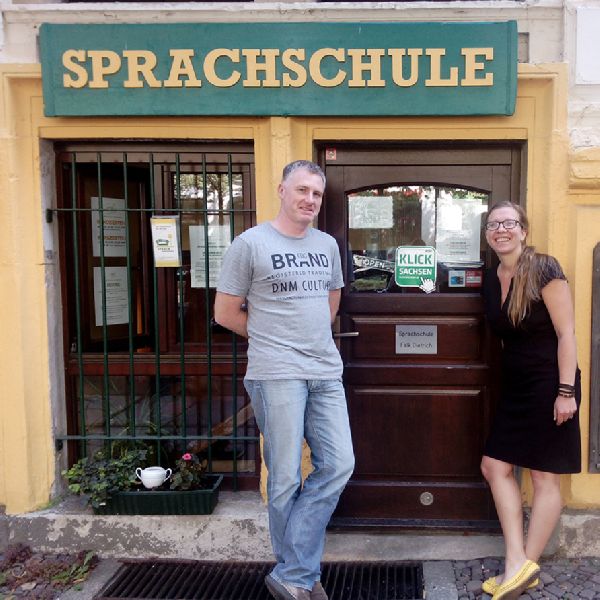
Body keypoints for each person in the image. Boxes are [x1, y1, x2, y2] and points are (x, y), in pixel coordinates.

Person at [214, 160, 355, 600]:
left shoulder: (327, 245)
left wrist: (309, 336)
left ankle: (293, 572)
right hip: (275, 373)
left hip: (324, 370)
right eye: (302, 190)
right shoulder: (250, 244)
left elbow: (332, 297)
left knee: (339, 464)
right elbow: (225, 312)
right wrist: (275, 337)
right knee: (285, 478)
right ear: (281, 190)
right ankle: (300, 576)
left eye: (316, 193)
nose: (309, 199)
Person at [479, 201, 581, 600]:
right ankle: (517, 562)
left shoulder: (543, 269)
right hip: (517, 385)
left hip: (550, 382)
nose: (500, 230)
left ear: (523, 230)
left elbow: (567, 333)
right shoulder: (492, 278)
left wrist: (566, 392)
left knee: (543, 476)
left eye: (508, 223)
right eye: (493, 225)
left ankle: (523, 567)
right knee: (494, 466)